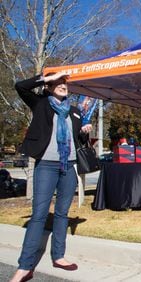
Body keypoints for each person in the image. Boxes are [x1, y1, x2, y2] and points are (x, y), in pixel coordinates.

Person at [10, 71, 92, 282]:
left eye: (64, 83)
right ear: (48, 87)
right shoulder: (41, 104)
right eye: (57, 83)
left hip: (69, 166)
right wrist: (45, 77)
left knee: (62, 214)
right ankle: (25, 266)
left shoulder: (74, 111)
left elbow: (78, 140)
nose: (63, 85)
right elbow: (20, 86)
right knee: (39, 214)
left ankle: (59, 256)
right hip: (46, 165)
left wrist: (84, 131)